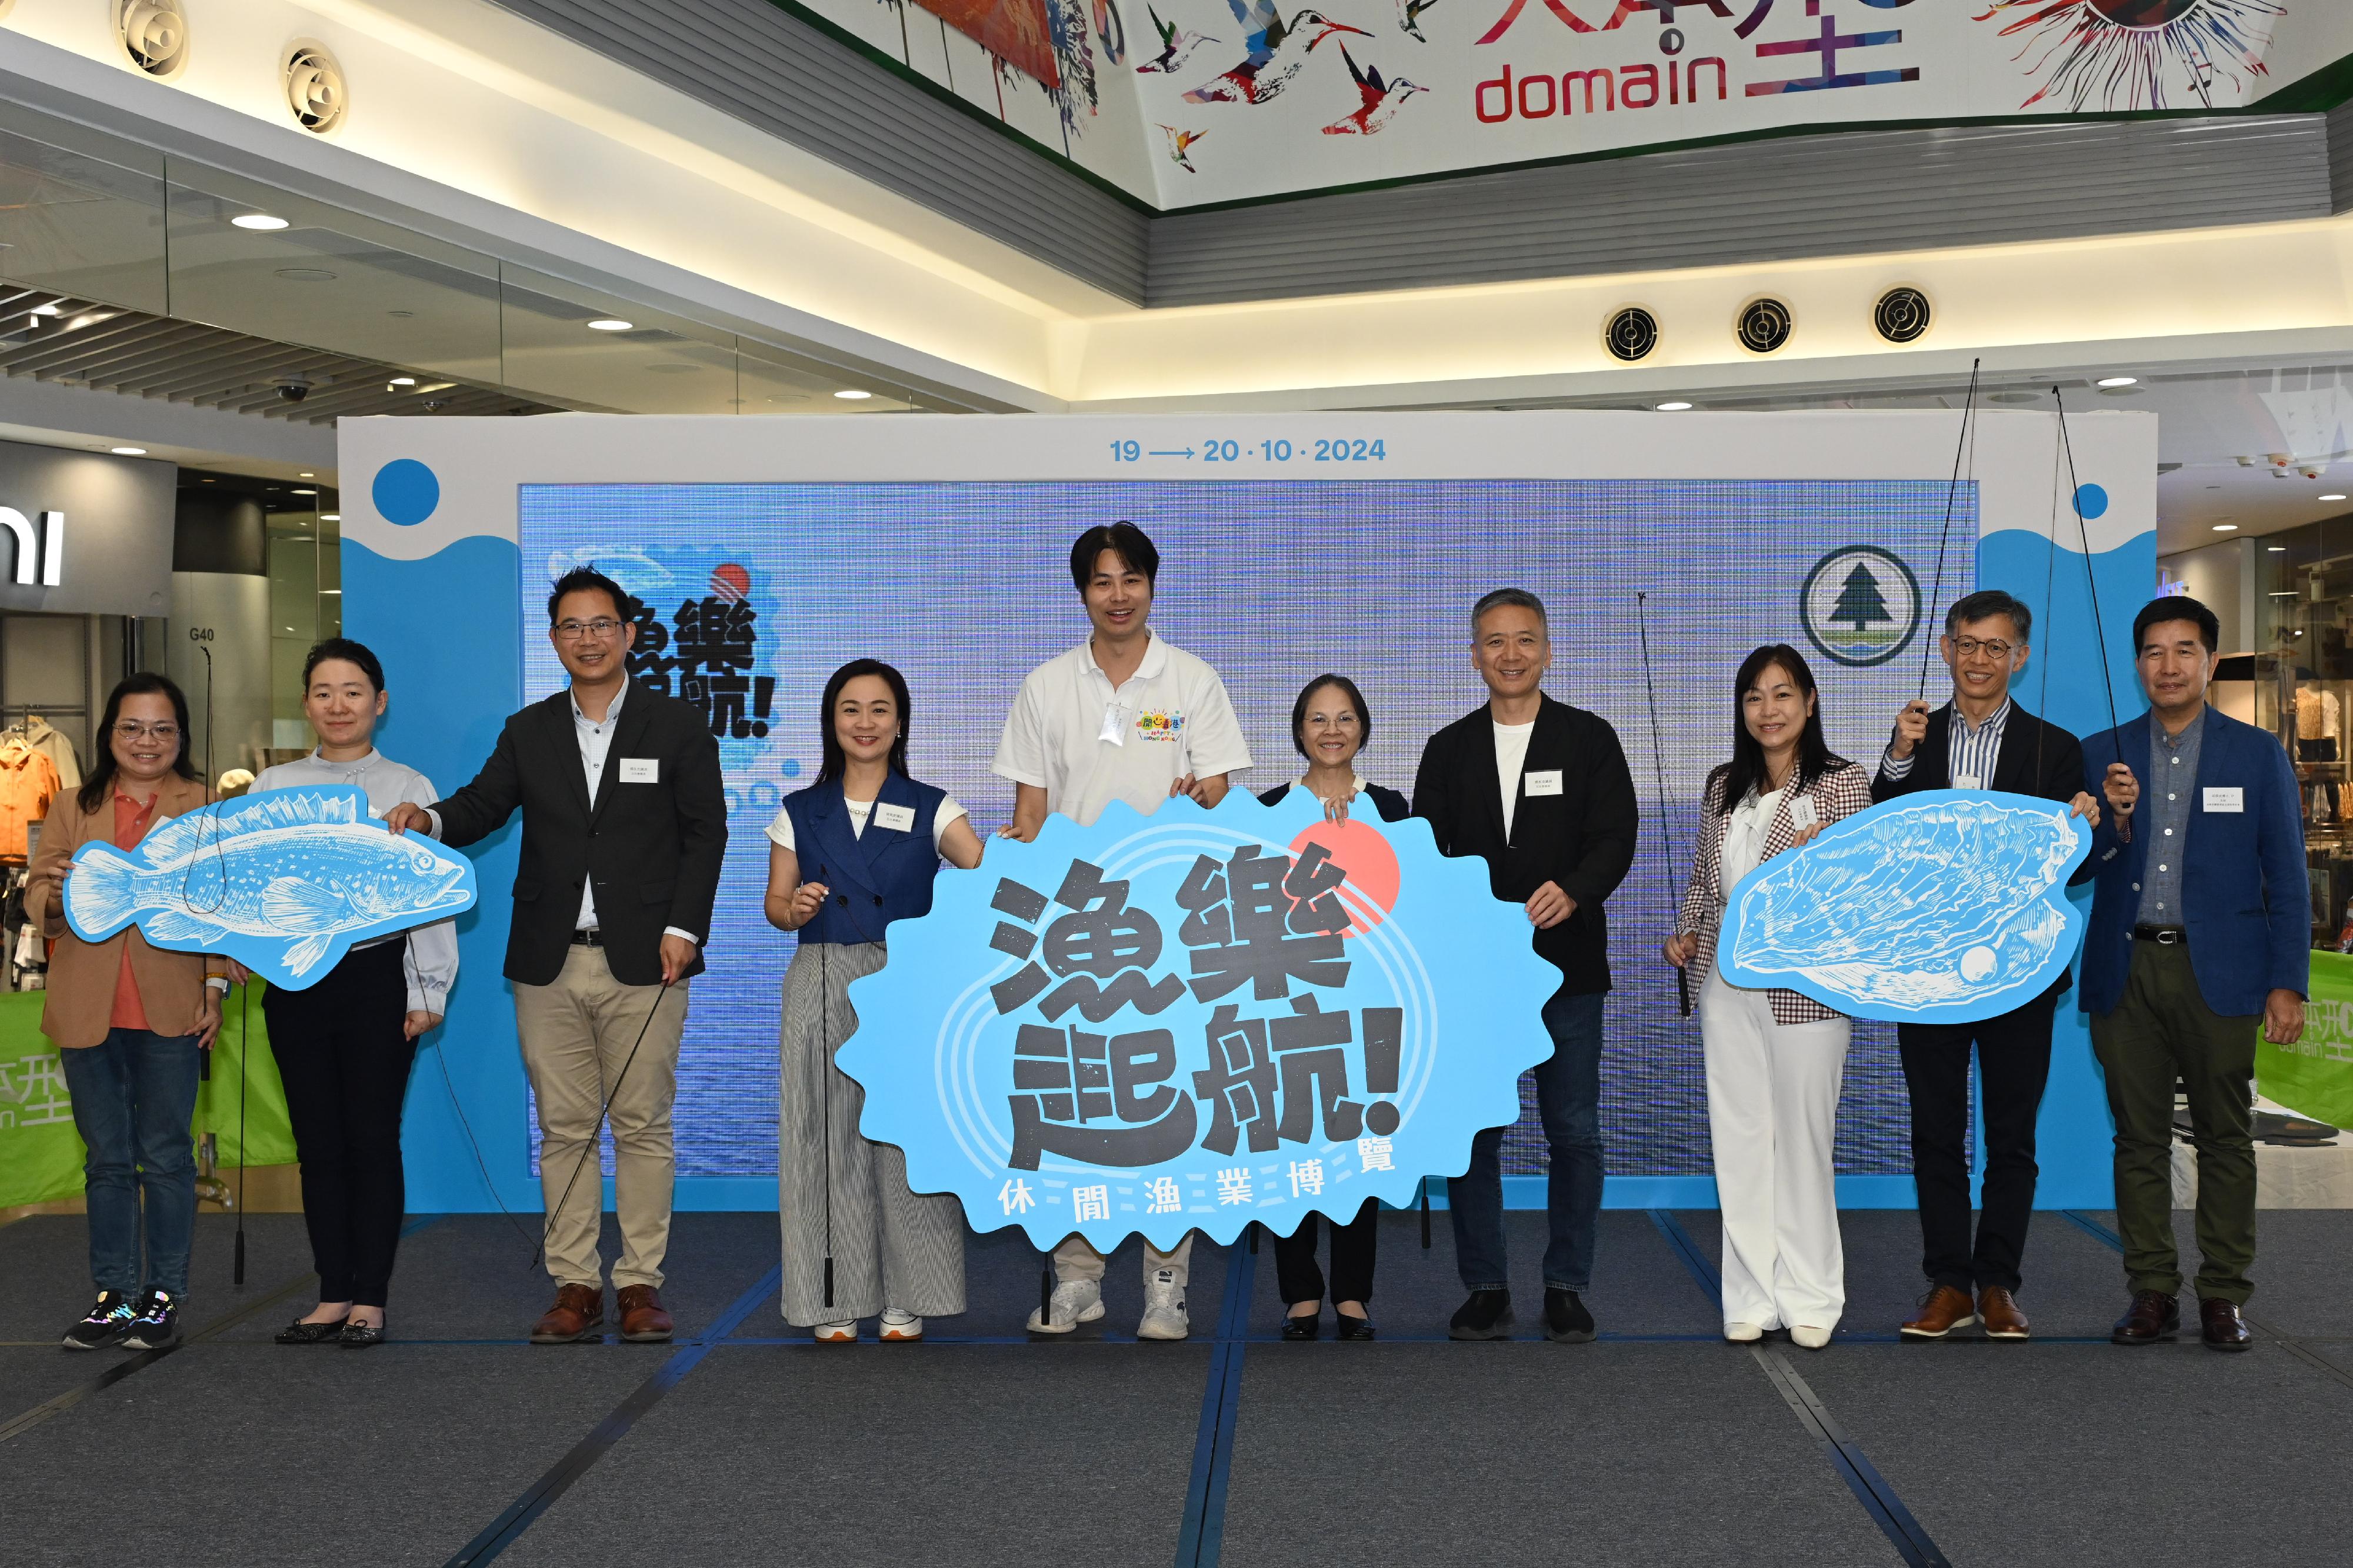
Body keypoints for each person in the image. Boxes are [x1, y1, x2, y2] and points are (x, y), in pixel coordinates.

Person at [386, 567, 726, 1345]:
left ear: (630, 633)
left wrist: (687, 927)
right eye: (572, 627)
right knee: (565, 1126)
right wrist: (428, 819)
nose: (588, 638)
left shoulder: (677, 725)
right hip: (549, 960)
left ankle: (640, 1282)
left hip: (651, 957)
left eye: (602, 624)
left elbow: (706, 833)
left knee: (642, 1125)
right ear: (554, 640)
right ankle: (574, 1281)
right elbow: (480, 805)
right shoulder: (529, 729)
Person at [994, 521, 1253, 1340]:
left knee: (1170, 1099)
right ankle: (1077, 1277)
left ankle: (1166, 1281)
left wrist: (1202, 792)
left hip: (1172, 927)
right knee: (1072, 1097)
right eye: (1103, 581)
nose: (1118, 595)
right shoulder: (1046, 686)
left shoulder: (1193, 680)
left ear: (1152, 585)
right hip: (1071, 927)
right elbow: (1029, 813)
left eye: (1132, 578)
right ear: (1082, 592)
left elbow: (1220, 789)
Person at [1872, 590, 2103, 1343]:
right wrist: (1898, 759)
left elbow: (2076, 862)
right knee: (1934, 1131)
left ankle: (1998, 1282)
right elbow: (1881, 834)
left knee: (2011, 1136)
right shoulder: (1914, 733)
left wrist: (2097, 821)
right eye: (1967, 644)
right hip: (1928, 967)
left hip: (2019, 969)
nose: (1979, 659)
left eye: (1996, 647)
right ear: (1944, 648)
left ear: (2020, 656)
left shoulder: (2056, 745)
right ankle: (1947, 1283)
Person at [1412, 588, 1636, 1343]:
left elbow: (1616, 835)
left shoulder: (1588, 738)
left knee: (1573, 1131)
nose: (1510, 654)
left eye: (1525, 640)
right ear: (1473, 654)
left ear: (1547, 648)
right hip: (1474, 980)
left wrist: (1574, 891)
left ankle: (1567, 1282)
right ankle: (1485, 1286)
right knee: (1475, 1134)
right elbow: (1427, 860)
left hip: (1569, 971)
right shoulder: (1448, 748)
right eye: (1493, 641)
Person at [2083, 595, 2305, 1352]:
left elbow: (2287, 872)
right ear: (2137, 662)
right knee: (2137, 1139)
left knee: (2224, 1136)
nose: (2168, 665)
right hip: (2127, 965)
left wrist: (2288, 980)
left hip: (2224, 973)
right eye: (2153, 651)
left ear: (2210, 661)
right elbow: (2073, 865)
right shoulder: (2100, 750)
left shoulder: (2255, 753)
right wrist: (2111, 823)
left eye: (2184, 650)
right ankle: (2150, 1291)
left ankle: (2223, 1293)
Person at [765, 660, 984, 1342]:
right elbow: (775, 904)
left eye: (879, 709)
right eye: (851, 709)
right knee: (821, 1140)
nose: (865, 723)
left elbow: (983, 879)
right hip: (822, 976)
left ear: (900, 723)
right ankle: (831, 1293)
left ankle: (909, 1295)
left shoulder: (934, 805)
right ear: (832, 722)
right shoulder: (800, 808)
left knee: (909, 1140)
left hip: (910, 983)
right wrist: (794, 906)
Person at [249, 639, 458, 1349]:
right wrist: (246, 953)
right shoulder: (272, 786)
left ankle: (371, 1298)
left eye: (353, 690)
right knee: (318, 1144)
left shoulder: (408, 784)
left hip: (378, 980)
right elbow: (244, 889)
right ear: (305, 702)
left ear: (380, 700)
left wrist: (428, 987)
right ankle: (332, 1292)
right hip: (296, 981)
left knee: (371, 1140)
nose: (338, 705)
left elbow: (429, 897)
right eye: (324, 691)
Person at [1665, 646, 1869, 1348]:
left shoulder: (1844, 783)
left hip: (1804, 987)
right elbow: (1700, 878)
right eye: (1753, 696)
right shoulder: (1725, 783)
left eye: (1782, 694)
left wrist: (1820, 859)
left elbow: (1854, 888)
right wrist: (1687, 932)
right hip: (1725, 985)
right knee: (1742, 1142)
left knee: (1804, 1142)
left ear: (1810, 702)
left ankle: (1812, 1296)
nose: (1768, 709)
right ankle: (1750, 1295)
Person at [31, 675, 225, 1352]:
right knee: (108, 1161)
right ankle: (113, 1297)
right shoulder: (70, 806)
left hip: (172, 1007)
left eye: (162, 729)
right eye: (133, 728)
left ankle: (163, 1296)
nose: (147, 741)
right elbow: (39, 899)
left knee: (167, 1160)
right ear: (109, 733)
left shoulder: (205, 807)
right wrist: (54, 897)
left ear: (182, 738)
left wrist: (218, 988)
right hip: (87, 1007)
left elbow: (221, 916)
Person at [1257, 674, 1409, 1343]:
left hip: (1367, 999)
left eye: (1344, 718)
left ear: (1362, 728)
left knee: (1359, 1141)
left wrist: (1361, 843)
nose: (1331, 730)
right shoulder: (1266, 808)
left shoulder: (1392, 806)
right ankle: (1298, 1292)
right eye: (1317, 719)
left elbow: (1408, 905)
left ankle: (1351, 1292)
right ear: (1298, 731)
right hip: (1286, 999)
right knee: (1288, 1141)